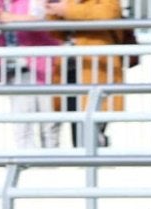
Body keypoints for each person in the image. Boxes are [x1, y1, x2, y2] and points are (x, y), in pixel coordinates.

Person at [0, 0, 63, 148]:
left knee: (49, 121)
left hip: (44, 65)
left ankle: (50, 163)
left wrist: (2, 15)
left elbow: (41, 18)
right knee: (22, 120)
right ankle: (26, 161)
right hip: (14, 68)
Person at [46, 0, 124, 148]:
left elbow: (108, 14)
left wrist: (68, 10)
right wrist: (52, 10)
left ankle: (95, 156)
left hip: (96, 66)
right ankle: (87, 158)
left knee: (93, 118)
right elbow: (55, 31)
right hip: (69, 67)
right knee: (76, 121)